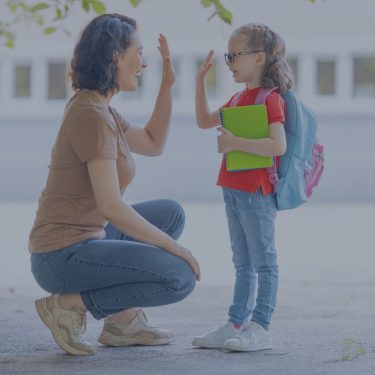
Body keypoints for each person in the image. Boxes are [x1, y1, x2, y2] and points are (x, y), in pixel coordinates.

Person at [28, 13, 200, 356]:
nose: (144, 63)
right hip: (61, 256)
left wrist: (167, 86)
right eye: (139, 52)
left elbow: (153, 142)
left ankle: (122, 323)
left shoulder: (100, 108)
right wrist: (175, 248)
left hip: (89, 239)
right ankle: (69, 303)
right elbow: (111, 206)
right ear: (115, 56)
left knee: (170, 214)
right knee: (178, 276)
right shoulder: (92, 116)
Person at [192, 23, 293, 352]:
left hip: (257, 191)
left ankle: (260, 326)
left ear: (259, 58)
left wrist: (235, 141)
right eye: (228, 56)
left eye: (235, 55)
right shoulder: (237, 97)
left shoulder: (270, 99)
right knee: (242, 262)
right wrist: (198, 83)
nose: (230, 62)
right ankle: (236, 322)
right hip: (233, 187)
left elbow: (277, 146)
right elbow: (204, 121)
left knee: (264, 261)